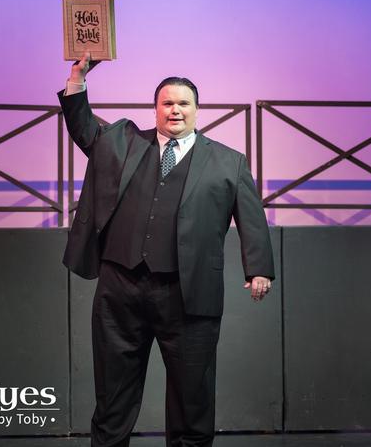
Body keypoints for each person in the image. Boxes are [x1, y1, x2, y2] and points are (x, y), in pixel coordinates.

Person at [58, 52, 274, 447]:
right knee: (112, 396)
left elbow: (252, 217)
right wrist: (77, 79)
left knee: (192, 400)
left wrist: (257, 268)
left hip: (188, 294)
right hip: (120, 288)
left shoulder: (228, 162)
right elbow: (84, 128)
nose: (175, 110)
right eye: (167, 103)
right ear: (155, 109)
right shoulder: (123, 143)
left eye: (183, 103)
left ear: (197, 110)